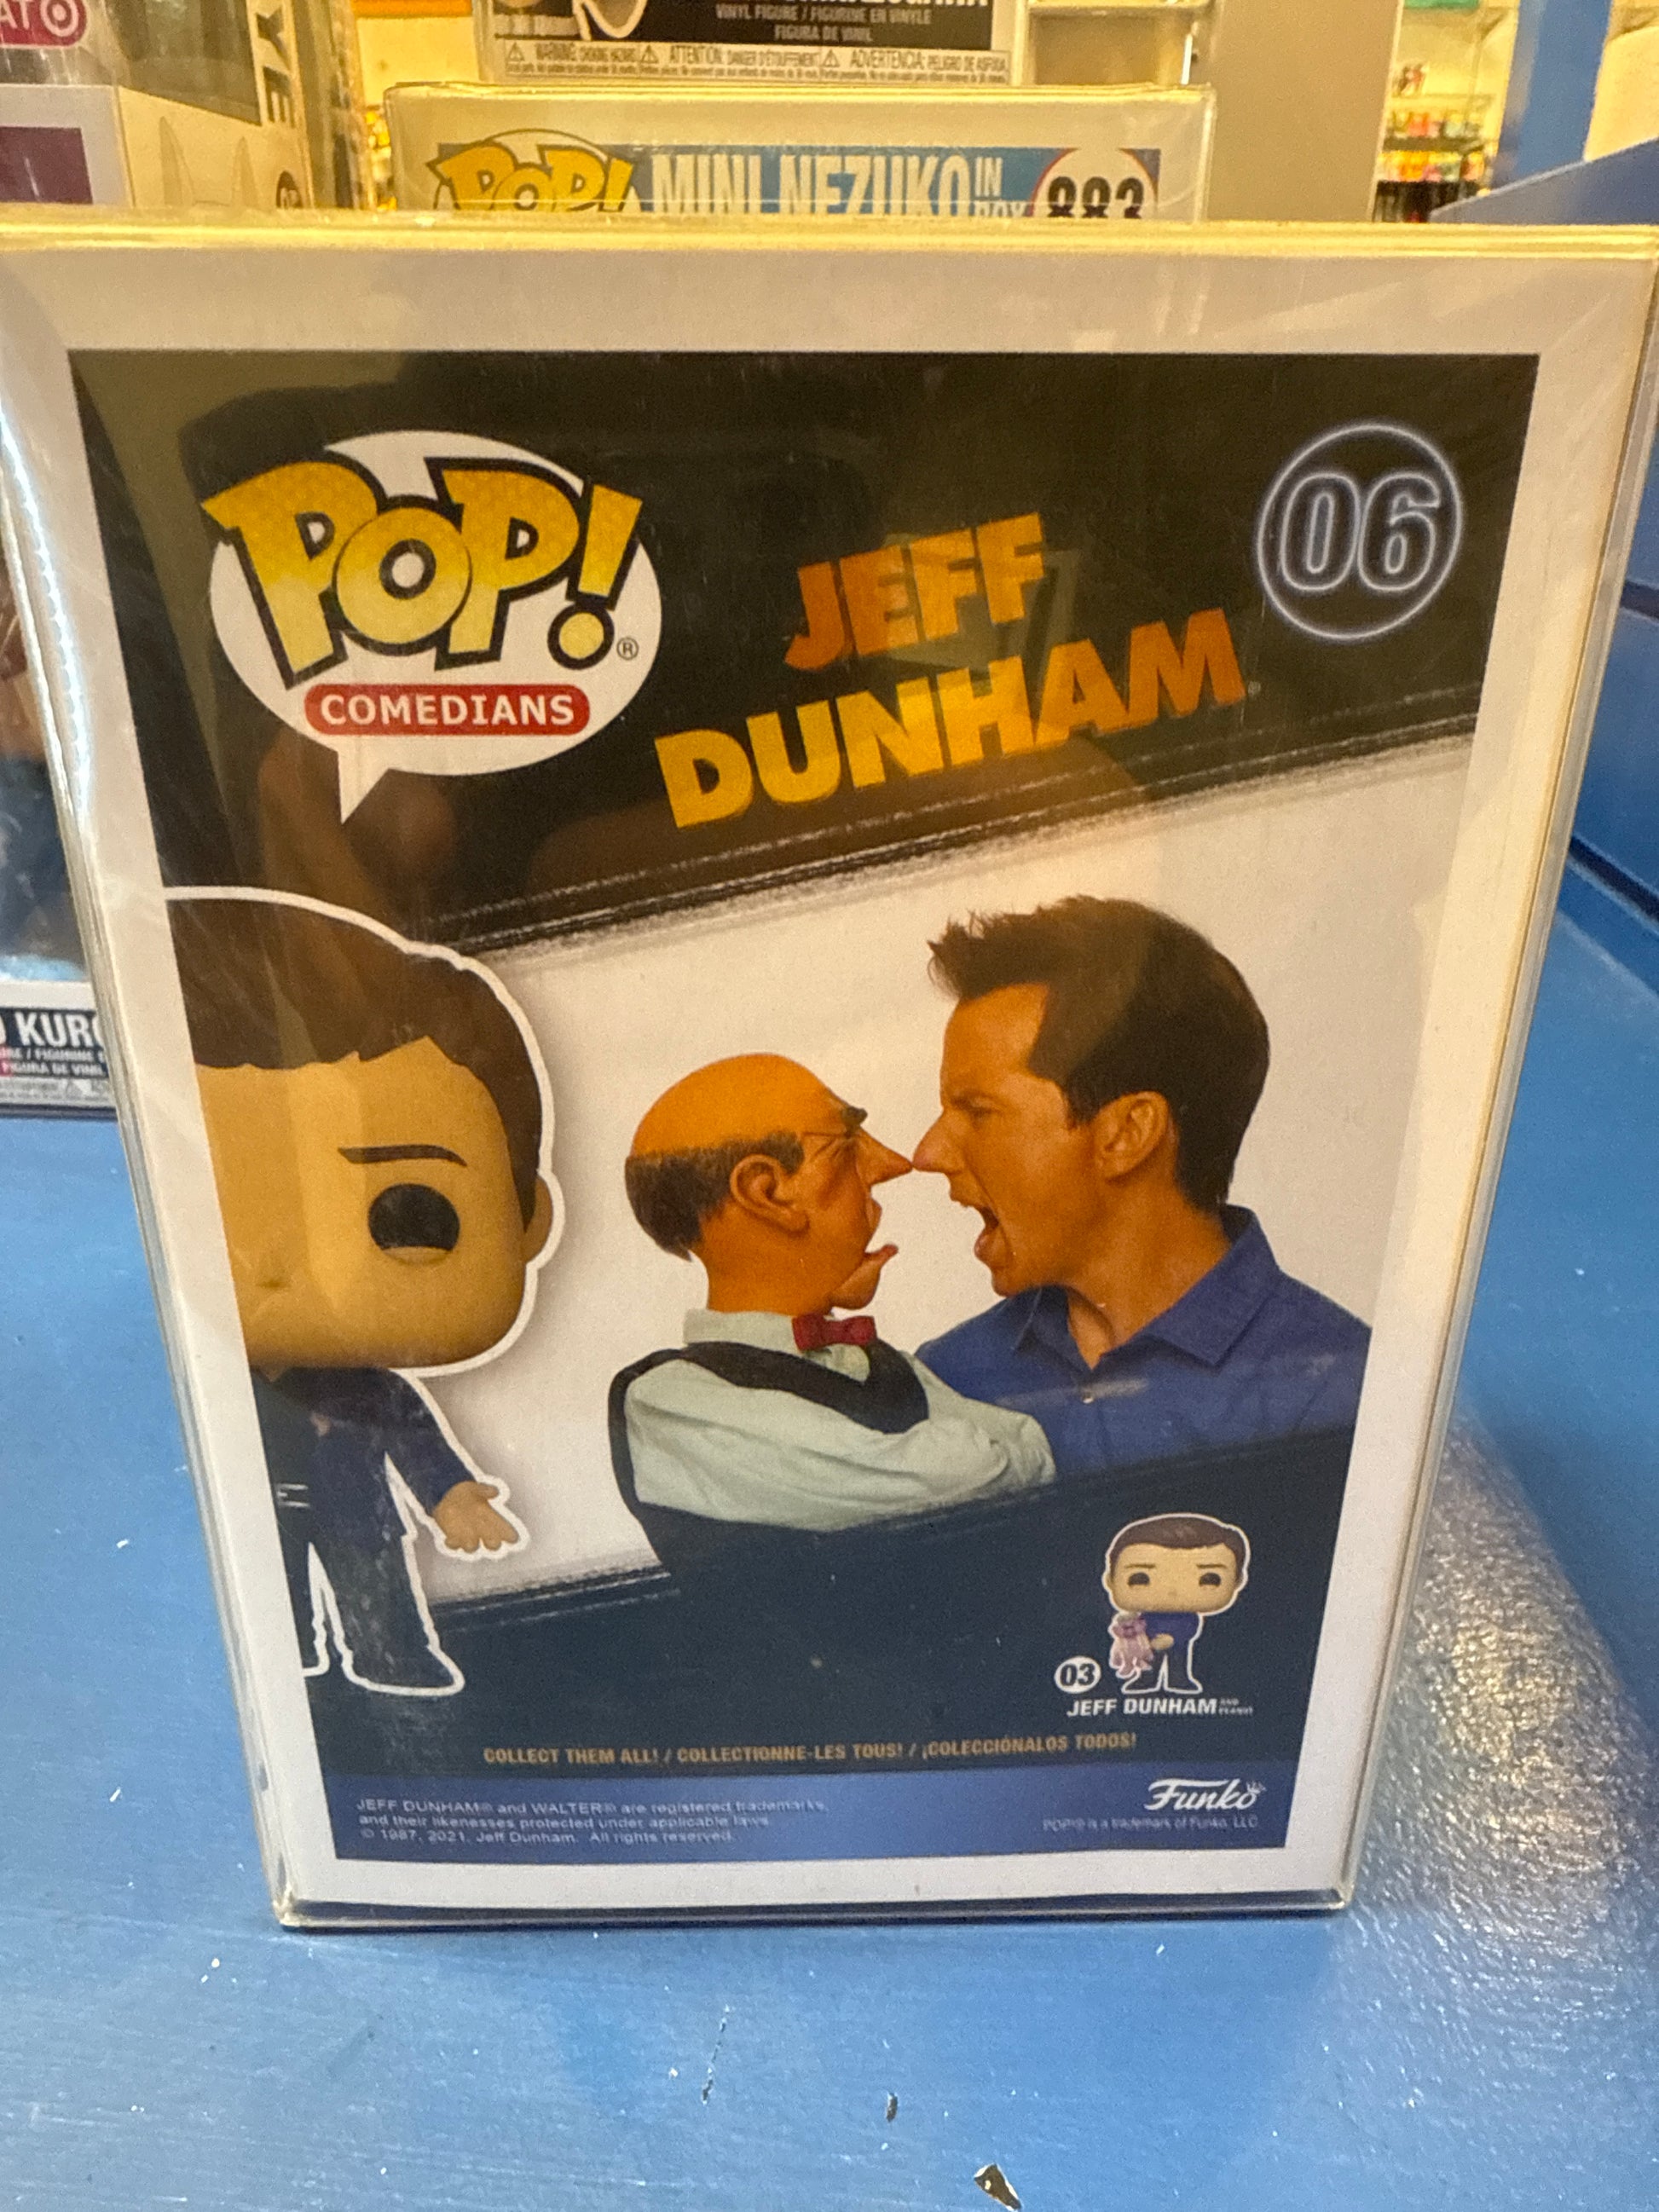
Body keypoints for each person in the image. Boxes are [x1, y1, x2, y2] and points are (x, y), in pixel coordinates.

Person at [169, 890, 558, 1695]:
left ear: (527, 1220)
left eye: (410, 1212)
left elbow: (414, 1435)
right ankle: (289, 1668)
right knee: (261, 1625)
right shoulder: (191, 1389)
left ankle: (394, 1657)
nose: (273, 1267)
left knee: (378, 1603)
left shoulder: (367, 1389)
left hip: (361, 1518)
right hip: (241, 1526)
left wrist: (453, 1495)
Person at [913, 896, 1368, 1481]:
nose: (928, 1153)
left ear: (1128, 1134)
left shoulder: (1346, 1393)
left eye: (978, 1111)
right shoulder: (945, 1385)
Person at [612, 1053, 1052, 1571]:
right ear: (766, 1192)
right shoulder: (668, 1399)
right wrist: (969, 1455)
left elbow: (1030, 1445)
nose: (893, 1164)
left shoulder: (877, 1362)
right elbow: (974, 1471)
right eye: (847, 1147)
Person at [1102, 1513, 1250, 1698]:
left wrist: (1172, 1639)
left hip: (1177, 1644)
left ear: (1237, 1581)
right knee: (1149, 1664)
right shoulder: (1147, 1616)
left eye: (1209, 1579)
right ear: (1110, 1581)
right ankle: (1146, 1680)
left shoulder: (1187, 1617)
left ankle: (1179, 1680)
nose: (1172, 1591)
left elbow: (1190, 1628)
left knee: (1178, 1662)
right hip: (1149, 1645)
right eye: (1140, 1578)